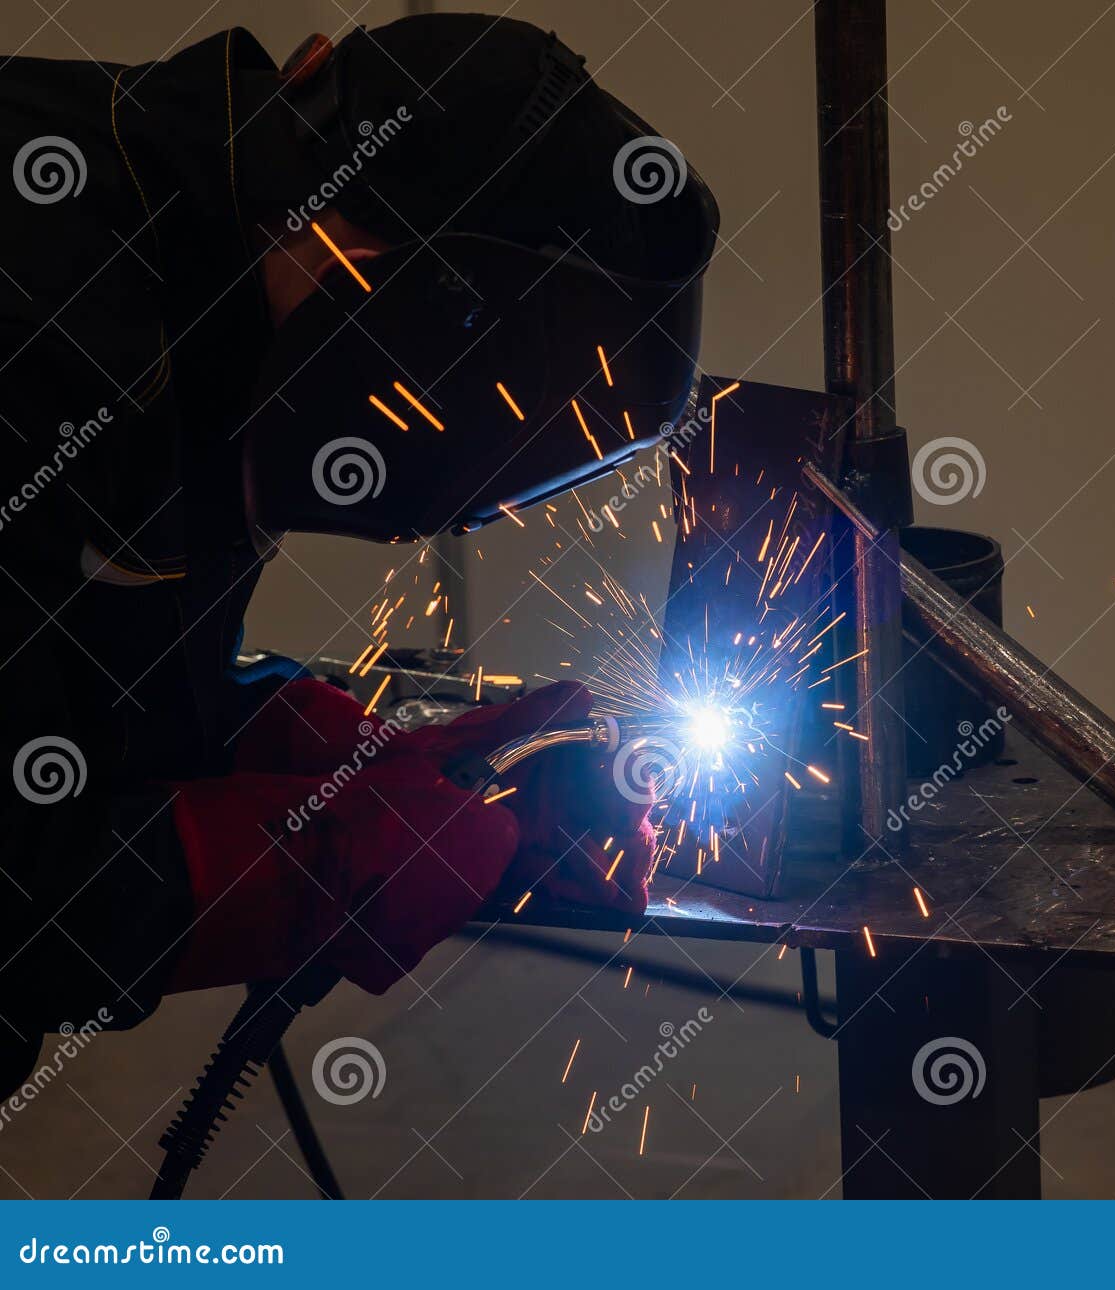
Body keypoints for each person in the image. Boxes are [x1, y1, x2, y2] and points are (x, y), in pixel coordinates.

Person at [0, 14, 718, 1094]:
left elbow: (48, 668)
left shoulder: (197, 261)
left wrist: (273, 733)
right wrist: (308, 862)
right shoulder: (47, 301)